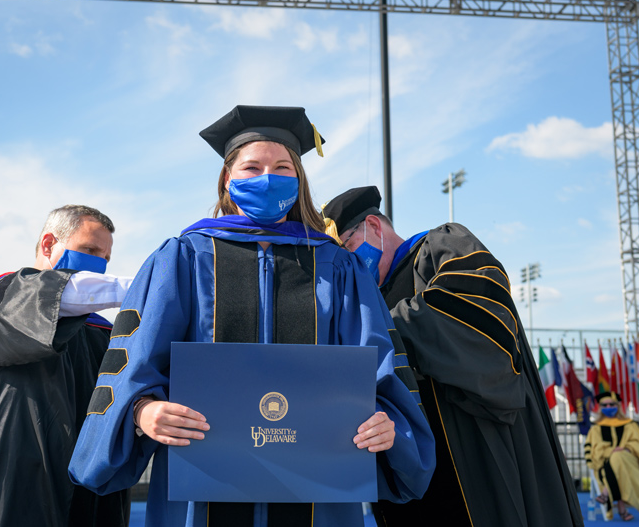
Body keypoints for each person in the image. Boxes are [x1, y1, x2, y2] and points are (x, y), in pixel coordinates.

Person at [69, 106, 435, 527]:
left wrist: (388, 424)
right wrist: (141, 412)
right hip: (200, 488)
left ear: (298, 180)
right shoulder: (183, 258)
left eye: (282, 167)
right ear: (228, 179)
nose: (267, 177)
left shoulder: (338, 267)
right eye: (252, 167)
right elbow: (134, 361)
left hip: (318, 489)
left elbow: (380, 366)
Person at [322, 186, 584, 527]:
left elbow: (483, 329)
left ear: (373, 226)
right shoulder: (364, 300)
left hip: (474, 452)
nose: (347, 263)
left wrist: (383, 330)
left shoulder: (440, 248)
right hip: (409, 470)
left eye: (347, 247)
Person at [0, 205, 132, 527]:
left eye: (105, 257)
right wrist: (153, 285)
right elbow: (62, 294)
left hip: (85, 488)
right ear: (48, 245)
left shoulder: (101, 331)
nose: (99, 264)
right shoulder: (1, 301)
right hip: (13, 483)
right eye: (88, 250)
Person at [585, 391, 639, 521]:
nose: (608, 408)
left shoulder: (630, 425)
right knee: (616, 459)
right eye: (604, 405)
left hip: (631, 462)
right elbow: (594, 451)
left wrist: (627, 448)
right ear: (600, 407)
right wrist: (612, 451)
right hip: (605, 464)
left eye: (611, 404)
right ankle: (622, 508)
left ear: (618, 405)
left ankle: (605, 493)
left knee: (618, 457)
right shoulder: (596, 428)